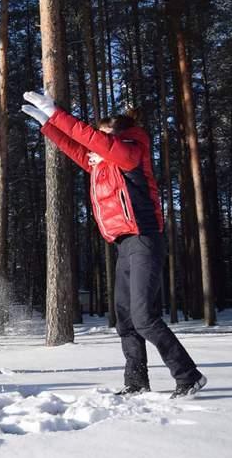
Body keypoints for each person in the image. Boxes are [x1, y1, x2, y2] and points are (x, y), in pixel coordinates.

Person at [21, 90, 206, 399]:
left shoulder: (131, 150)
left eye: (102, 136)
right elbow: (79, 150)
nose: (97, 142)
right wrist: (48, 124)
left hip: (144, 238)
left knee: (145, 317)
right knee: (127, 320)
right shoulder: (105, 163)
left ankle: (188, 376)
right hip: (124, 244)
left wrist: (57, 114)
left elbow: (95, 143)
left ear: (118, 133)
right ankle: (136, 383)